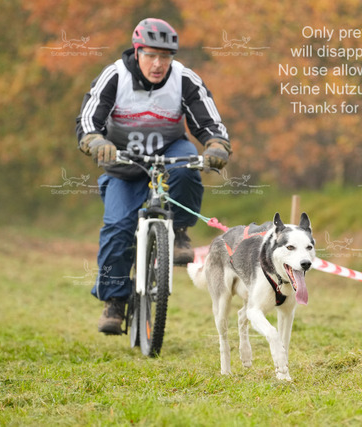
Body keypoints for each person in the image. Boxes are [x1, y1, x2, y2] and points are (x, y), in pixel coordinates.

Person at [75, 18, 231, 335]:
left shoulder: (184, 79)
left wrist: (216, 144)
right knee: (118, 229)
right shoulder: (115, 76)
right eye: (151, 55)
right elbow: (90, 118)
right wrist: (95, 141)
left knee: (187, 166)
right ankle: (115, 301)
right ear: (137, 52)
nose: (158, 64)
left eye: (165, 56)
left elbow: (208, 121)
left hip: (169, 151)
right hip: (123, 164)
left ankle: (179, 232)